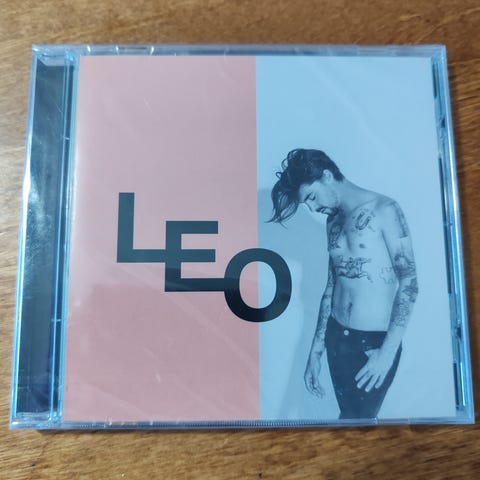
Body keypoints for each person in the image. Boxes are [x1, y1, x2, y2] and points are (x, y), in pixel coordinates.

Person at [270, 149, 418, 419]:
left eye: (311, 197)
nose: (313, 209)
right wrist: (316, 350)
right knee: (348, 421)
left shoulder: (384, 209)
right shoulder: (333, 221)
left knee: (357, 425)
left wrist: (387, 353)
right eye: (307, 204)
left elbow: (409, 280)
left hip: (372, 343)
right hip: (336, 336)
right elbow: (331, 286)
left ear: (327, 176)